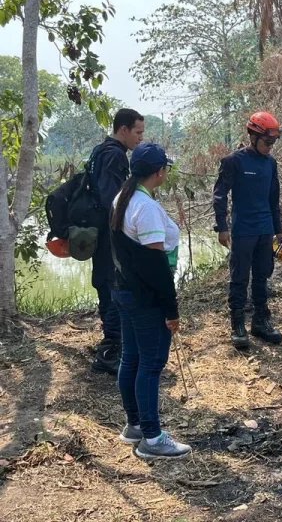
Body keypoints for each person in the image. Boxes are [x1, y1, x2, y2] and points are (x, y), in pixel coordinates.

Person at [110, 142, 190, 459]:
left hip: (124, 290)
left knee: (131, 357)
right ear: (159, 172)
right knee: (151, 364)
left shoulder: (122, 198)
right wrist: (171, 310)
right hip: (144, 296)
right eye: (165, 167)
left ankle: (135, 426)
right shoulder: (146, 209)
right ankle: (153, 438)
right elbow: (156, 267)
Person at [213, 111, 282, 349]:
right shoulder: (234, 161)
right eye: (267, 142)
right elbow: (220, 195)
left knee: (262, 276)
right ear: (253, 136)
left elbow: (274, 199)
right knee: (239, 278)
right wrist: (222, 228)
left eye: (273, 142)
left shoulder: (270, 163)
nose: (270, 147)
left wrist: (279, 230)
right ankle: (237, 325)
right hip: (243, 230)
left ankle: (261, 322)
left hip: (265, 230)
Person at [90, 109, 144, 374]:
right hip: (108, 233)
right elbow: (112, 199)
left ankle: (112, 343)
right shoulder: (114, 154)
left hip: (100, 232)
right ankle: (110, 350)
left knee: (106, 282)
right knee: (113, 283)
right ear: (123, 129)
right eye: (137, 132)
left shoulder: (102, 150)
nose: (140, 138)